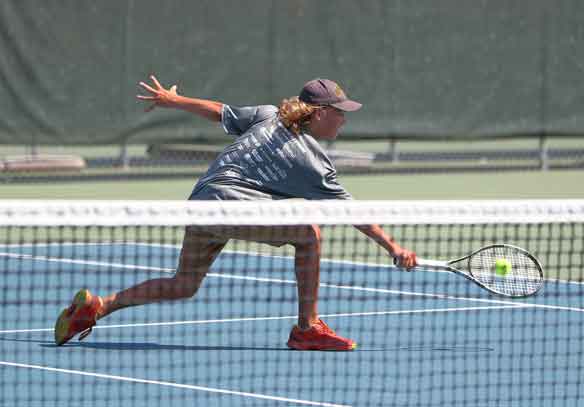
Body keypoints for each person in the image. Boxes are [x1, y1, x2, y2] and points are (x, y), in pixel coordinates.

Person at [54, 76, 417, 351]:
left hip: (201, 203)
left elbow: (220, 112)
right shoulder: (313, 163)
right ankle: (307, 329)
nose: (344, 120)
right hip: (227, 206)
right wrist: (393, 248)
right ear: (320, 114)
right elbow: (351, 211)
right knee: (310, 234)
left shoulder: (268, 115)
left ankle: (98, 308)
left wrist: (174, 100)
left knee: (184, 285)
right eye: (340, 113)